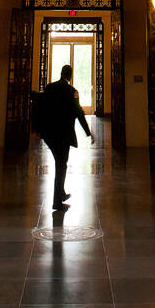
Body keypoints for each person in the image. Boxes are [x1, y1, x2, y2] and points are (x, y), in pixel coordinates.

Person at [38, 64, 94, 210]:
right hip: (63, 134)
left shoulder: (49, 88)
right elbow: (79, 113)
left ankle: (61, 193)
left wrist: (38, 129)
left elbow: (41, 108)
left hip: (50, 133)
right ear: (70, 75)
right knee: (61, 165)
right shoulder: (72, 92)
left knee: (59, 162)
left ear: (61, 73)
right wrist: (88, 132)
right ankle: (57, 201)